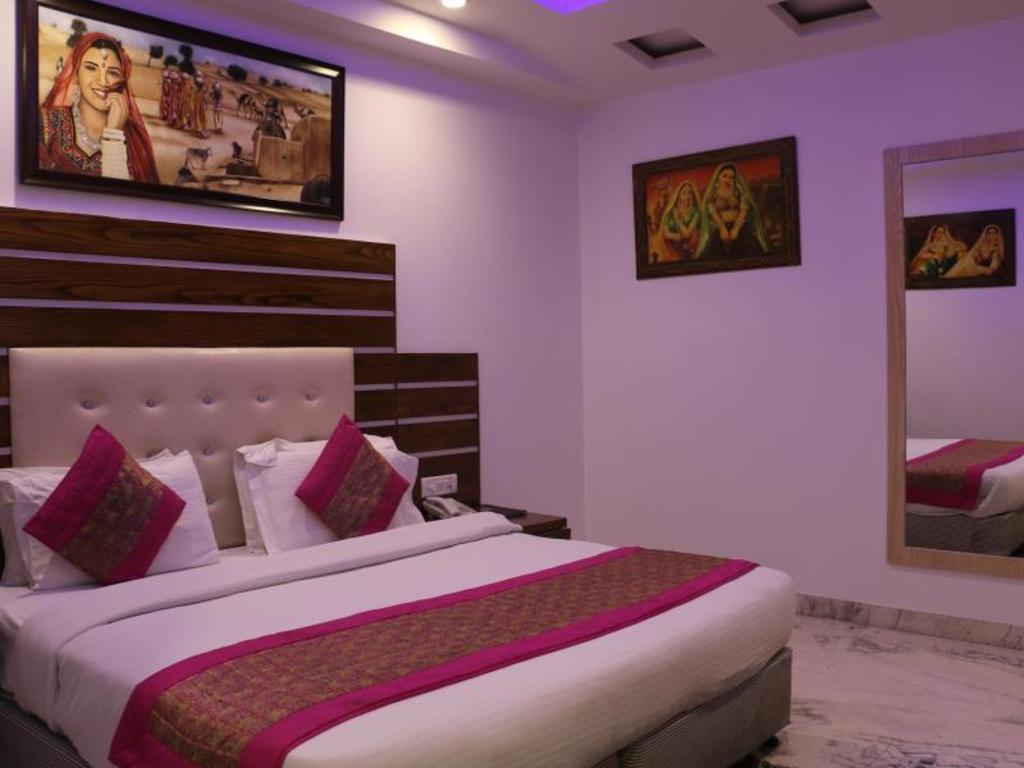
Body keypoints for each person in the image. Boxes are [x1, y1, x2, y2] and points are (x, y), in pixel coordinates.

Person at [38, 32, 158, 183]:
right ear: (76, 74)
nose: (103, 81)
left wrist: (114, 136)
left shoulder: (134, 142)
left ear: (122, 81)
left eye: (112, 73)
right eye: (91, 68)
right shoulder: (46, 122)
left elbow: (125, 196)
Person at [701, 163, 769, 260]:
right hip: (720, 228)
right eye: (724, 176)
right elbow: (713, 213)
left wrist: (736, 228)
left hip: (740, 227)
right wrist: (722, 228)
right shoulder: (713, 195)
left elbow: (743, 211)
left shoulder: (739, 192)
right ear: (718, 177)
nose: (727, 179)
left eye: (731, 177)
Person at [658, 180, 706, 261]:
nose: (688, 196)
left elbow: (687, 234)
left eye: (690, 193)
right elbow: (665, 233)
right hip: (673, 248)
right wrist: (678, 237)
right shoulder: (671, 211)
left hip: (691, 248)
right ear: (679, 196)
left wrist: (677, 219)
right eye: (684, 193)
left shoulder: (696, 212)